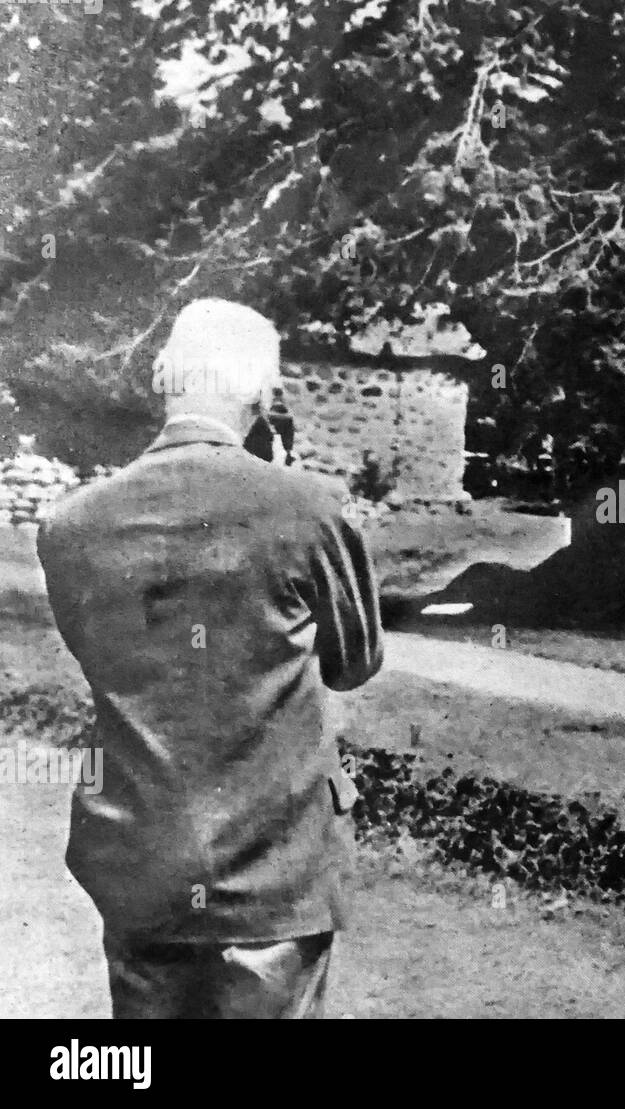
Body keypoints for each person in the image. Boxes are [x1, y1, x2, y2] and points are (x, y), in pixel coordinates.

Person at [37, 298, 384, 1018]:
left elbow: (104, 657)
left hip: (140, 865)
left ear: (167, 379)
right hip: (275, 871)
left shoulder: (72, 525)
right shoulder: (308, 509)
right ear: (261, 392)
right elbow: (354, 660)